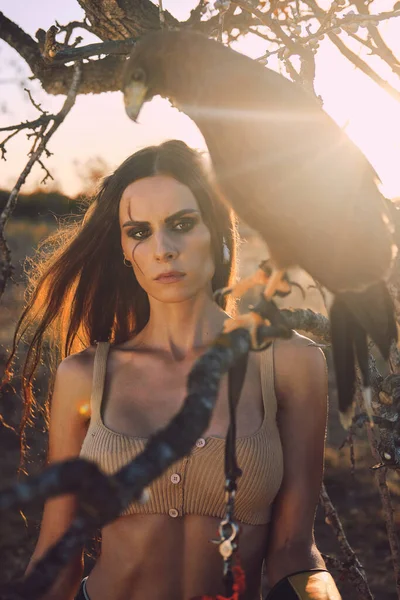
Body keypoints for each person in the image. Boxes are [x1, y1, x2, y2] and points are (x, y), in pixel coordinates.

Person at [10, 140, 340, 599]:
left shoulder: (291, 364)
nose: (162, 249)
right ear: (124, 249)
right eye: (139, 231)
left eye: (182, 224)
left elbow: (293, 548)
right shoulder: (83, 376)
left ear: (218, 232)